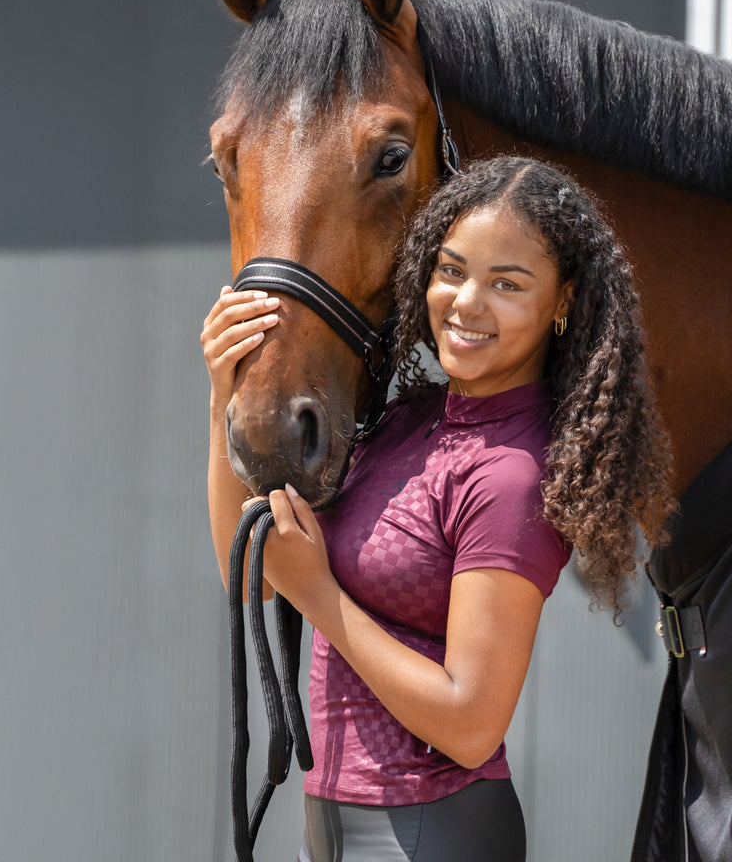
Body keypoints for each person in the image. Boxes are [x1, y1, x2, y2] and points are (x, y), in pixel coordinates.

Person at [202, 156, 674, 861]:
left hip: (430, 833)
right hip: (330, 826)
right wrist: (224, 398)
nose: (466, 303)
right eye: (450, 271)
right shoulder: (401, 423)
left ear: (564, 303)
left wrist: (320, 596)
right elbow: (252, 578)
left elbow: (470, 723)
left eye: (507, 284)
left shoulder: (511, 476)